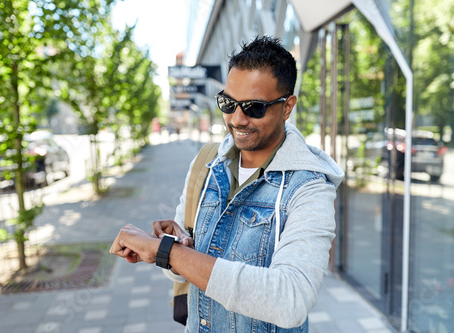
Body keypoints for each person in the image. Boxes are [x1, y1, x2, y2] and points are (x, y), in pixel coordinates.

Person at [109, 35, 344, 332]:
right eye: (228, 103)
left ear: (287, 107)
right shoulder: (207, 164)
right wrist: (178, 246)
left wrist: (168, 253)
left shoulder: (309, 188)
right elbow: (180, 278)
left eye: (254, 107)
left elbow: (291, 300)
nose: (237, 119)